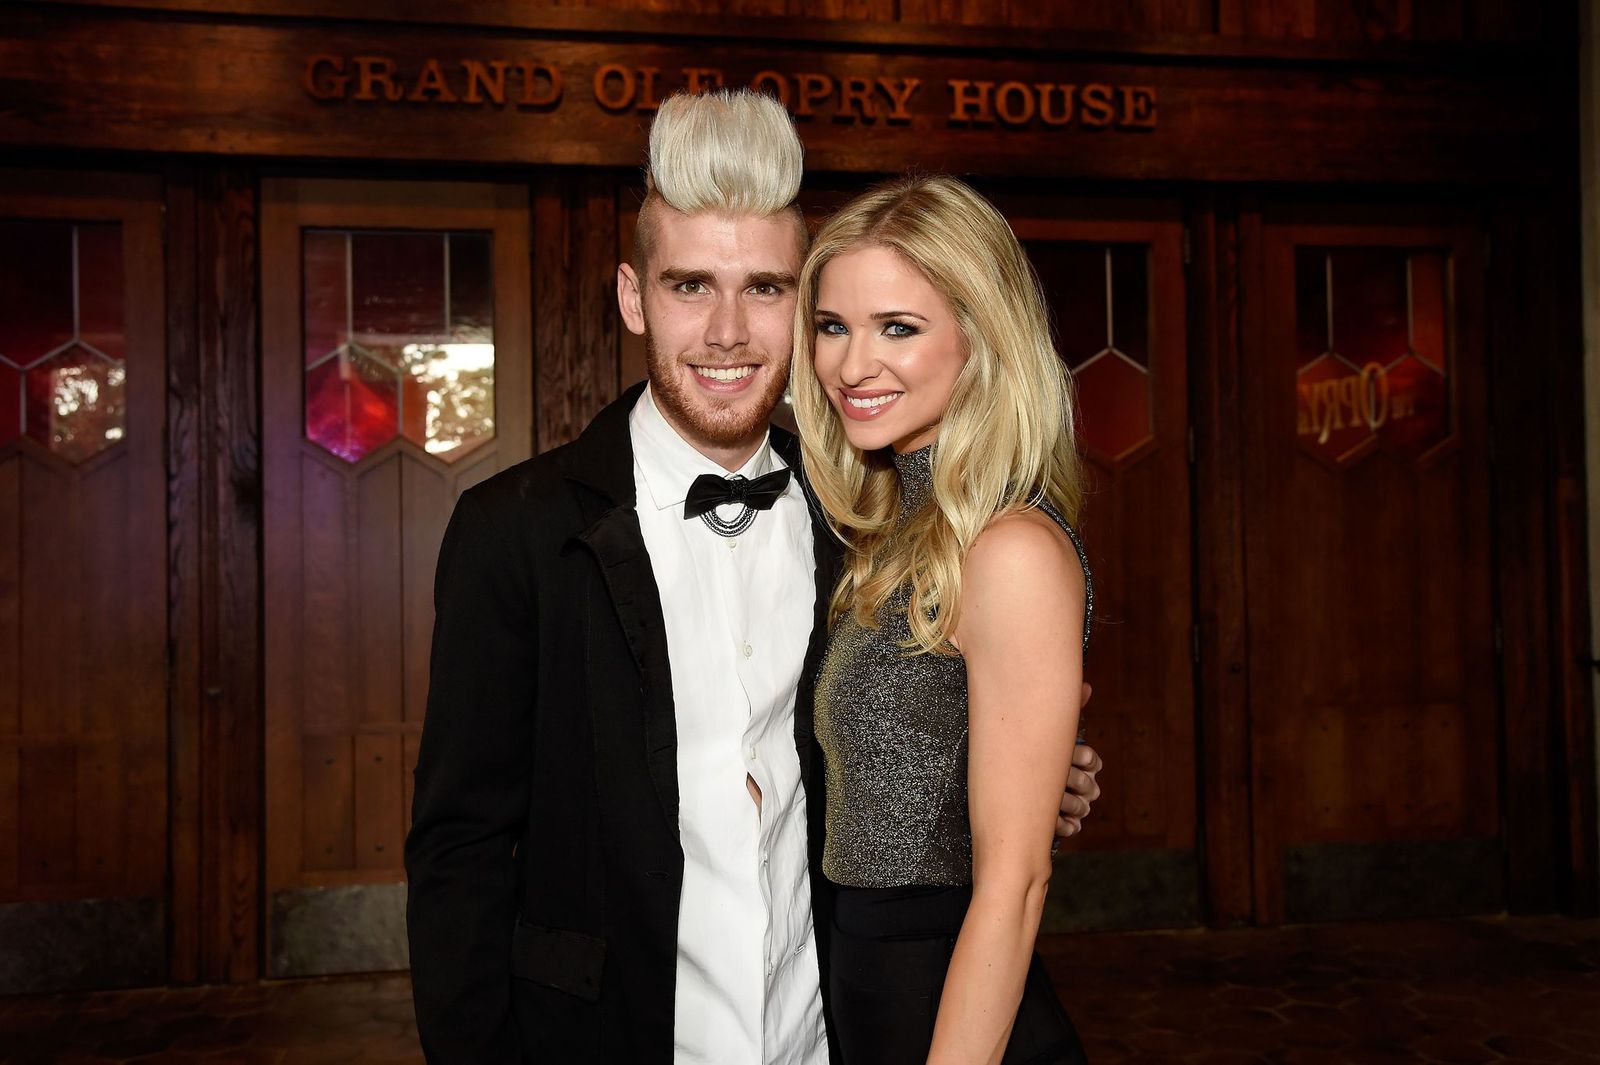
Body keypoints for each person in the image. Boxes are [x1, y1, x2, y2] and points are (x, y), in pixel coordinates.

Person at [404, 89, 1103, 1064]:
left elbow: (922, 737)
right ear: (632, 297)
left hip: (838, 1039)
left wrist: (1029, 772)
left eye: (767, 289)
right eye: (690, 286)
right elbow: (460, 851)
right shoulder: (512, 532)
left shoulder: (860, 517)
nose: (728, 332)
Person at [791, 174, 1093, 1064]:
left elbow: (1015, 879)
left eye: (899, 328)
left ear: (980, 337)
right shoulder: (892, 534)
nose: (853, 365)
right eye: (833, 326)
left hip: (953, 1015)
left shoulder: (1010, 550)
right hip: (871, 995)